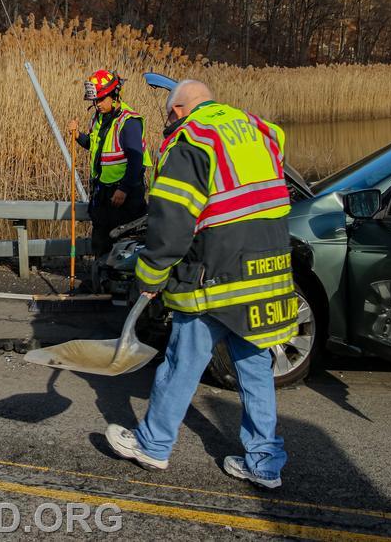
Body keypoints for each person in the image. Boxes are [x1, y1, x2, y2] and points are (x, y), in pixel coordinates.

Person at [104, 79, 295, 489]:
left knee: (182, 360)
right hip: (269, 268)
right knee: (255, 367)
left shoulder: (189, 140)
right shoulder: (260, 129)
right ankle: (265, 463)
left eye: (167, 118)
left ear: (176, 111)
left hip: (215, 274)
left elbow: (173, 221)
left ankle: (153, 445)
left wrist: (151, 274)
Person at [69, 69, 151, 261]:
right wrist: (78, 136)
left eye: (100, 100)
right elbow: (93, 144)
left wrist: (124, 189)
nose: (96, 105)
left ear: (114, 96)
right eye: (94, 101)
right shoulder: (99, 118)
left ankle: (122, 284)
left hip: (125, 195)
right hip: (104, 191)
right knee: (100, 240)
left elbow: (136, 160)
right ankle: (100, 280)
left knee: (123, 243)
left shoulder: (128, 121)